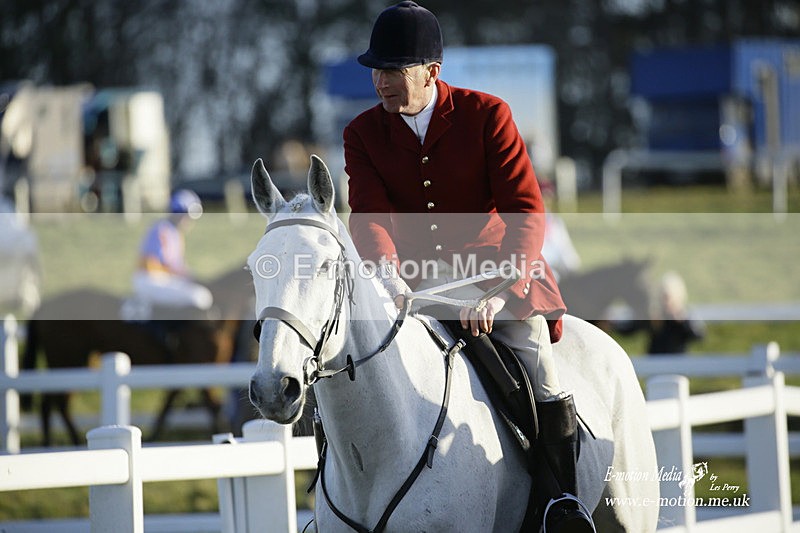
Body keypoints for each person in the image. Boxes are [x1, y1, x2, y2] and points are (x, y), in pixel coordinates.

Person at [344, 2, 594, 531]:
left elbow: (525, 210)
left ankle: (562, 502)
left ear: (431, 73)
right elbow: (368, 215)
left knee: (540, 369)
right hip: (412, 286)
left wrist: (500, 292)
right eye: (376, 70)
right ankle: (338, 496)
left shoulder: (488, 115)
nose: (380, 82)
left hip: (495, 277)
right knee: (353, 365)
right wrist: (389, 280)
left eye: (393, 71)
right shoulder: (362, 133)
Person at [130, 189, 213, 316]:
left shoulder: (174, 232)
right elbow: (156, 265)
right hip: (150, 279)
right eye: (186, 215)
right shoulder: (162, 229)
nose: (189, 220)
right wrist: (189, 277)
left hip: (160, 279)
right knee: (200, 297)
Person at [647, 271, 704, 354]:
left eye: (668, 297)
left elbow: (699, 336)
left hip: (678, 361)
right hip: (655, 360)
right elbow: (628, 329)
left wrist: (682, 321)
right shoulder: (655, 314)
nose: (666, 301)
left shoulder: (686, 314)